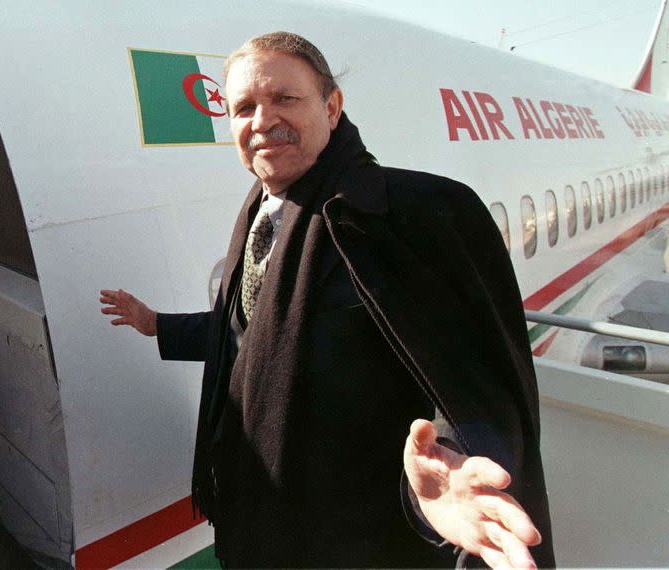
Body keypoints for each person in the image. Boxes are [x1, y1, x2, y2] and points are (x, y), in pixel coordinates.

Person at [101, 32, 554, 568]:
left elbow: (477, 389)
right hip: (263, 527)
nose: (263, 120)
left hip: (359, 546)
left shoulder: (413, 215)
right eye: (245, 107)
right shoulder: (263, 212)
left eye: (285, 99)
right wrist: (160, 325)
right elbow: (254, 333)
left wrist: (454, 464)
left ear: (332, 107)